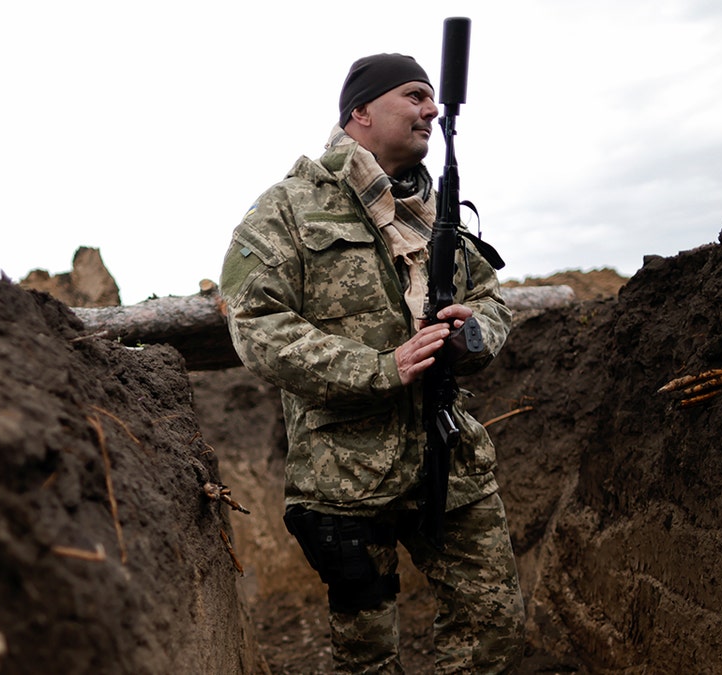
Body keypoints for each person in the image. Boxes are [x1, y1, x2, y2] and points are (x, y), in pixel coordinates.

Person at [219, 52, 525, 673]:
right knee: (368, 655)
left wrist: (475, 335)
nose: (431, 110)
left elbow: (492, 300)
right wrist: (381, 367)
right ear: (360, 111)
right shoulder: (288, 208)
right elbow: (255, 325)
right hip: (345, 476)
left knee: (492, 627)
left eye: (433, 98)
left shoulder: (440, 213)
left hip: (449, 458)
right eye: (414, 96)